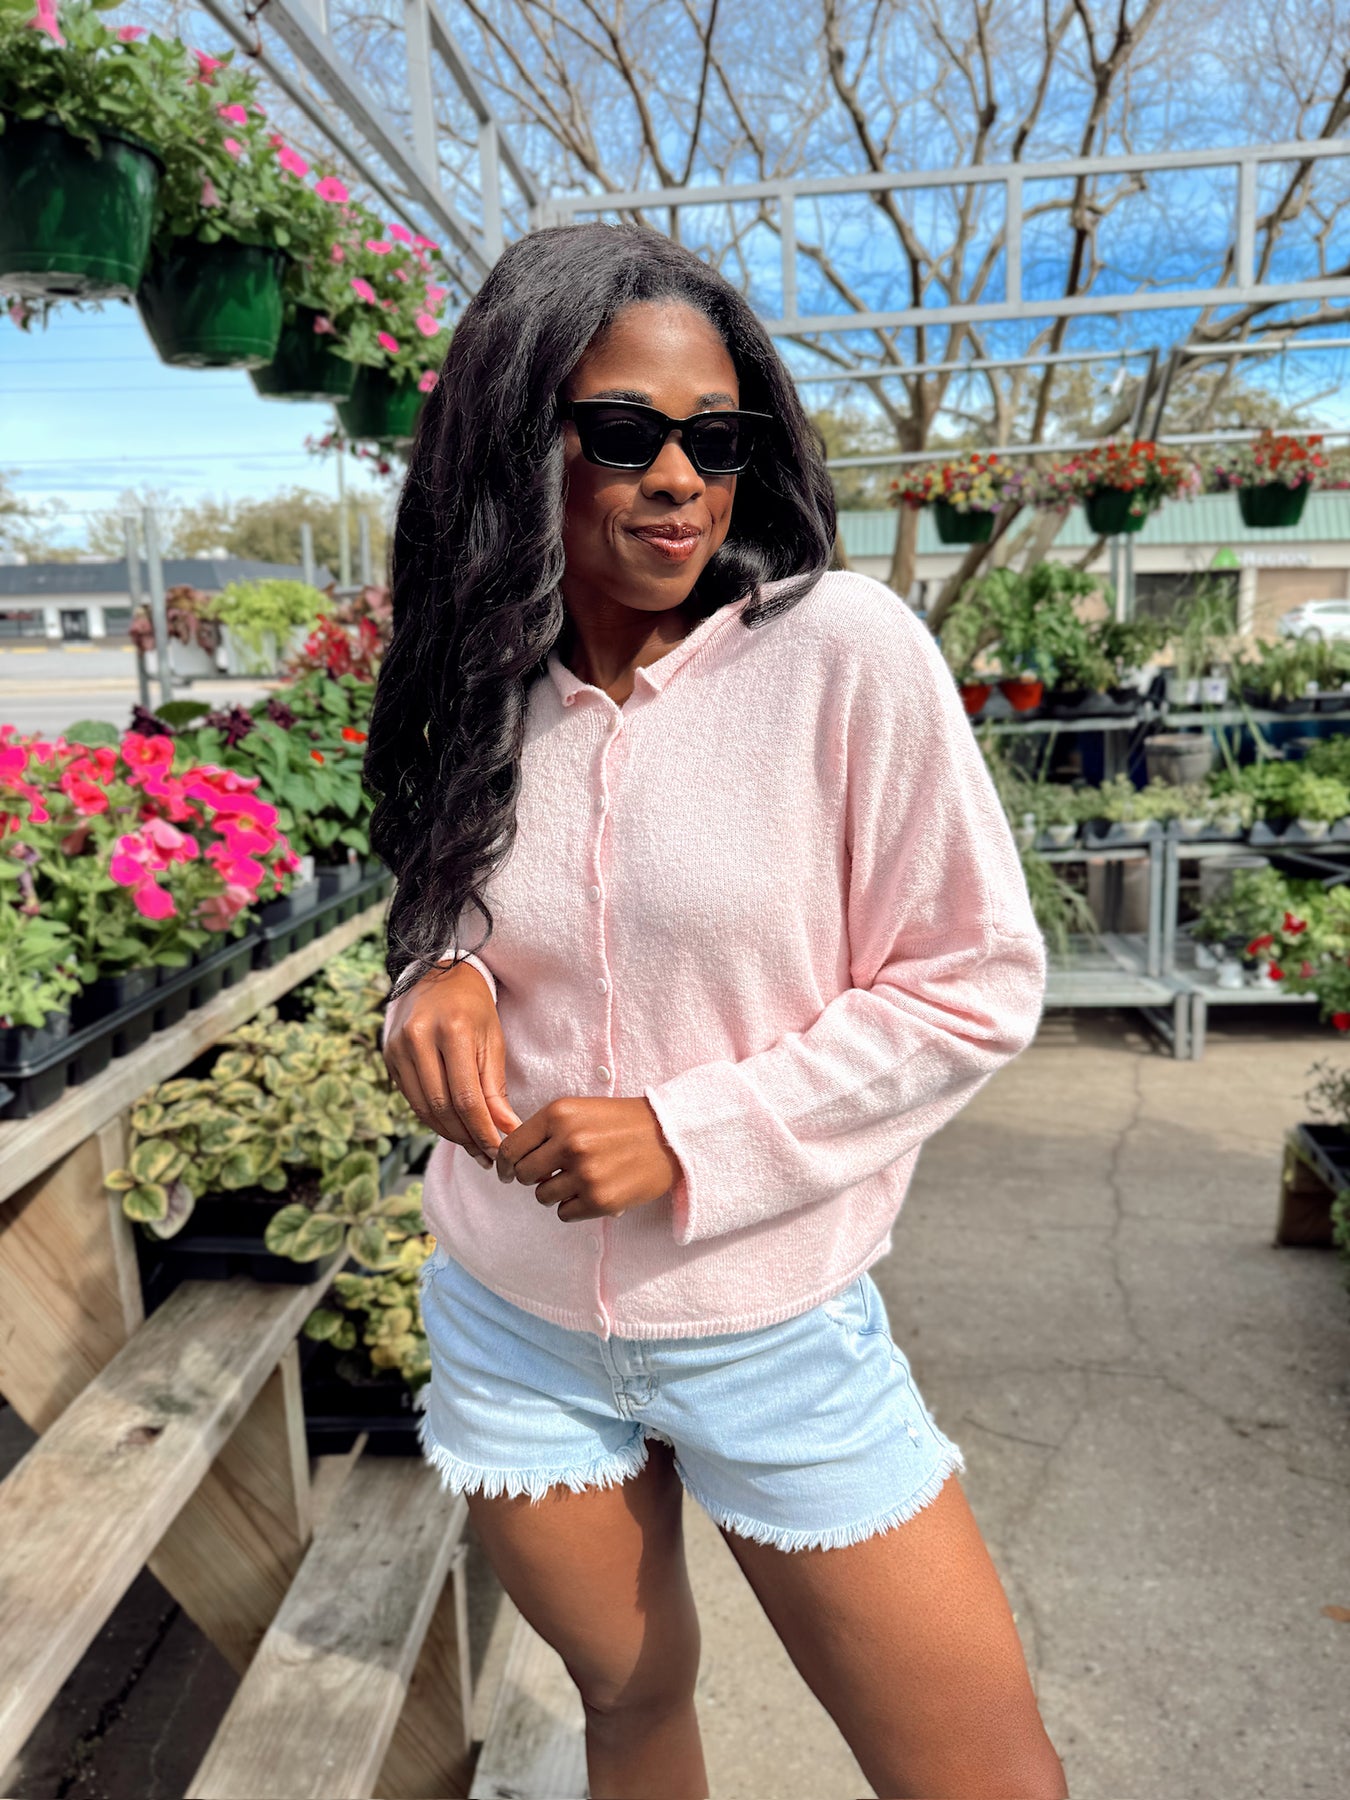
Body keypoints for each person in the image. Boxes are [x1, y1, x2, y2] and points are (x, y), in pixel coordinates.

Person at [370, 221, 1066, 1800]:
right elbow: (450, 902)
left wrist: (687, 1134)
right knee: (626, 1707)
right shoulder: (473, 680)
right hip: (512, 1327)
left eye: (716, 438)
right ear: (516, 439)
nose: (679, 478)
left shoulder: (838, 654)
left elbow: (973, 980)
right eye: (623, 432)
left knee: (981, 1777)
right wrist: (436, 974)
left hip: (772, 1330)